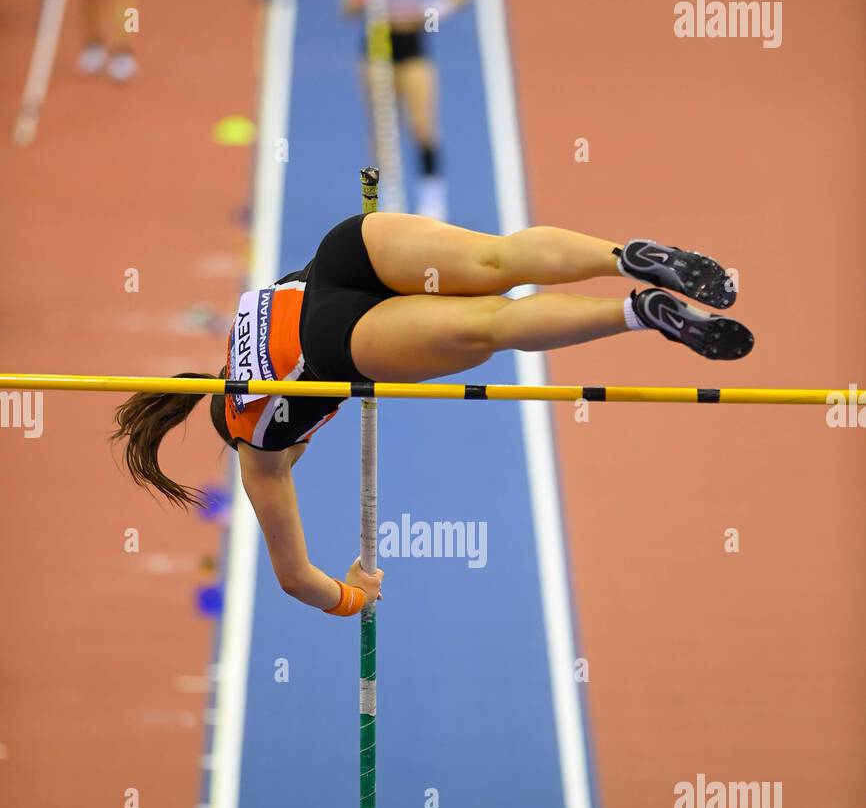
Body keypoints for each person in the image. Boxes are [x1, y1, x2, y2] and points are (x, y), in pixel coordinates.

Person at [112, 213, 752, 616]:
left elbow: (296, 580)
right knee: (498, 262)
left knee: (492, 325)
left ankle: (637, 310)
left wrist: (353, 594)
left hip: (336, 339)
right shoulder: (235, 342)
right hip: (345, 252)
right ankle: (623, 255)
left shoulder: (261, 453)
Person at [341, 0, 470, 219]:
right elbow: (347, 8)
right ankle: (384, 200)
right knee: (382, 131)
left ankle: (432, 200)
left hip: (412, 48)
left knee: (423, 127)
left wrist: (426, 13)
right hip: (376, 49)